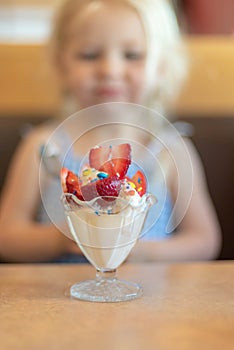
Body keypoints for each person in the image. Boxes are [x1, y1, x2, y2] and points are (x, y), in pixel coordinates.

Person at [0, 0, 221, 263]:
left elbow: (204, 241)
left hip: (151, 300)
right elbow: (8, 237)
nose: (110, 70)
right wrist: (63, 238)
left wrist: (136, 250)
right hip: (59, 300)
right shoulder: (45, 147)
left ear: (161, 66)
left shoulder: (170, 149)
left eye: (132, 55)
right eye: (90, 55)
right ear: (60, 64)